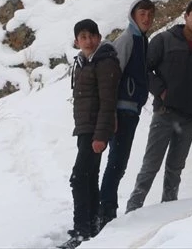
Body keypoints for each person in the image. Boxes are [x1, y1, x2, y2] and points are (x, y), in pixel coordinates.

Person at [125, 0, 192, 212]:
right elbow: (144, 70)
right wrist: (161, 91)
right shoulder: (164, 40)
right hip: (165, 114)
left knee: (175, 169)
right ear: (186, 16)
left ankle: (168, 212)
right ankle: (132, 210)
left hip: (189, 119)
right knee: (150, 166)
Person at [97, 0, 156, 228]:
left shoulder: (142, 40)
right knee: (116, 164)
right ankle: (105, 214)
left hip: (131, 111)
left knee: (118, 163)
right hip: (121, 111)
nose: (147, 18)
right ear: (133, 15)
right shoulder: (128, 39)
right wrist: (111, 112)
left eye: (150, 14)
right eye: (142, 13)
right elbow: (114, 76)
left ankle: (105, 211)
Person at [65, 19, 119, 249]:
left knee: (78, 178)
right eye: (83, 37)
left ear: (98, 37)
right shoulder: (82, 62)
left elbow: (108, 103)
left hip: (94, 130)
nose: (87, 41)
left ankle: (81, 230)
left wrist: (100, 136)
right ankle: (91, 224)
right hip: (84, 128)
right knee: (88, 176)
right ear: (77, 41)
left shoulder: (104, 62)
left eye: (91, 36)